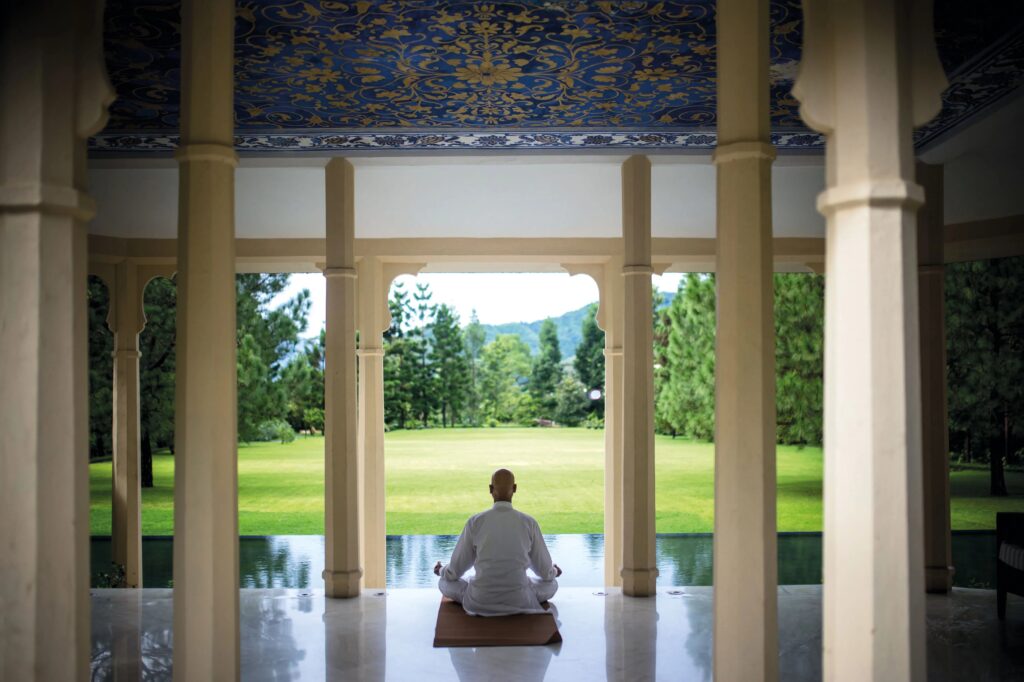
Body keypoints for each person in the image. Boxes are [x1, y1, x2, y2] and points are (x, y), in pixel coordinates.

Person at [433, 468, 562, 616]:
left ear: (490, 489)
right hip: (520, 598)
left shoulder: (475, 522)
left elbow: (454, 571)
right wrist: (554, 571)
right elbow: (545, 573)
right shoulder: (529, 522)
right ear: (514, 489)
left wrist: (441, 570)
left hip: (479, 600)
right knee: (552, 584)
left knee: (444, 583)